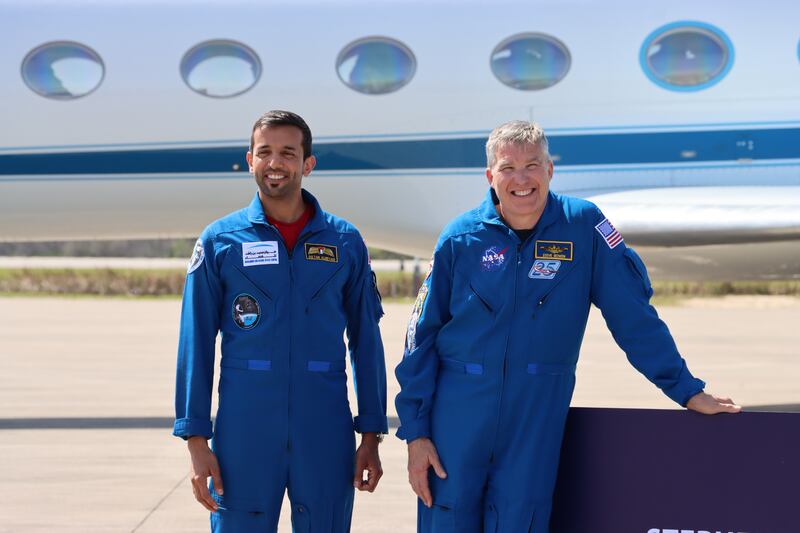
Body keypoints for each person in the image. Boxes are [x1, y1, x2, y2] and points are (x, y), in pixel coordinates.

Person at [395, 120, 741, 533]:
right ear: (490, 176)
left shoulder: (585, 228)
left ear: (550, 169)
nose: (521, 179)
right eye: (507, 168)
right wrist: (416, 433)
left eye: (533, 165)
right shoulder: (460, 237)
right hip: (458, 415)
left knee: (520, 519)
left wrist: (686, 389)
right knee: (447, 520)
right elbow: (420, 338)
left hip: (536, 415)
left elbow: (633, 317)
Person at [173, 110, 388, 532]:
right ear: (249, 160)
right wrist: (196, 441)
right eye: (265, 152)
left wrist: (371, 434)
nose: (275, 163)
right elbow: (194, 343)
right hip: (244, 431)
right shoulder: (220, 241)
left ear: (308, 164)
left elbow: (366, 342)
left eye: (288, 153)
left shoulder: (345, 242)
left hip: (324, 428)